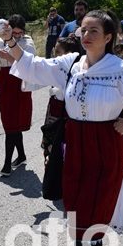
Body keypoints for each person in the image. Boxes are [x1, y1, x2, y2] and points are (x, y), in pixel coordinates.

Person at [4, 9, 123, 246]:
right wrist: (10, 40)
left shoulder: (119, 69)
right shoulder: (70, 64)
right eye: (84, 29)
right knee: (77, 214)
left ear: (108, 37)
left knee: (94, 218)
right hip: (75, 146)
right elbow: (34, 65)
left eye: (94, 30)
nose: (87, 35)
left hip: (105, 146)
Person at [0, 14, 36, 177]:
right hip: (5, 85)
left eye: (20, 33)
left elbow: (30, 66)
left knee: (14, 124)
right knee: (10, 124)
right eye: (15, 32)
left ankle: (6, 164)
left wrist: (11, 58)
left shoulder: (28, 43)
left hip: (20, 85)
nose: (17, 36)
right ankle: (21, 156)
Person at [41, 35, 82, 163]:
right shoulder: (56, 68)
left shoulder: (77, 72)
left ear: (69, 54)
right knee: (50, 148)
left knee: (62, 150)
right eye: (54, 51)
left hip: (64, 116)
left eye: (58, 52)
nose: (55, 55)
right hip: (53, 111)